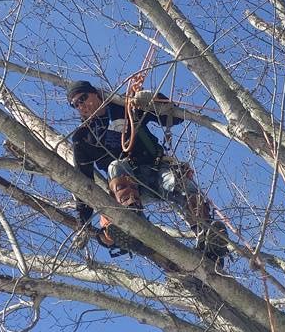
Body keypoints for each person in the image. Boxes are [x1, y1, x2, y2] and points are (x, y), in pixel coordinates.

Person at [68, 79, 228, 267]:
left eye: (83, 98)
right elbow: (84, 182)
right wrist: (83, 223)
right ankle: (133, 223)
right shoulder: (83, 137)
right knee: (116, 166)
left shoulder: (124, 106)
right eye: (75, 104)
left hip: (156, 170)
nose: (81, 105)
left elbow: (174, 118)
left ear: (94, 93)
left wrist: (154, 99)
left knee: (180, 183)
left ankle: (208, 239)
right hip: (128, 186)